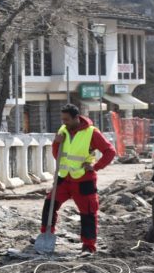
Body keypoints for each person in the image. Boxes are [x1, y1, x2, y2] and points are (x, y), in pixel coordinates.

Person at [41, 103, 116, 254]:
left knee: (88, 212)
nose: (64, 123)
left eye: (67, 119)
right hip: (64, 177)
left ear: (76, 118)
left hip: (83, 179)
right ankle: (45, 234)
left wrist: (95, 167)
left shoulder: (91, 132)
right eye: (62, 119)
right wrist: (57, 142)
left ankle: (88, 245)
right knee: (49, 204)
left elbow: (110, 151)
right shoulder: (63, 130)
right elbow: (57, 155)